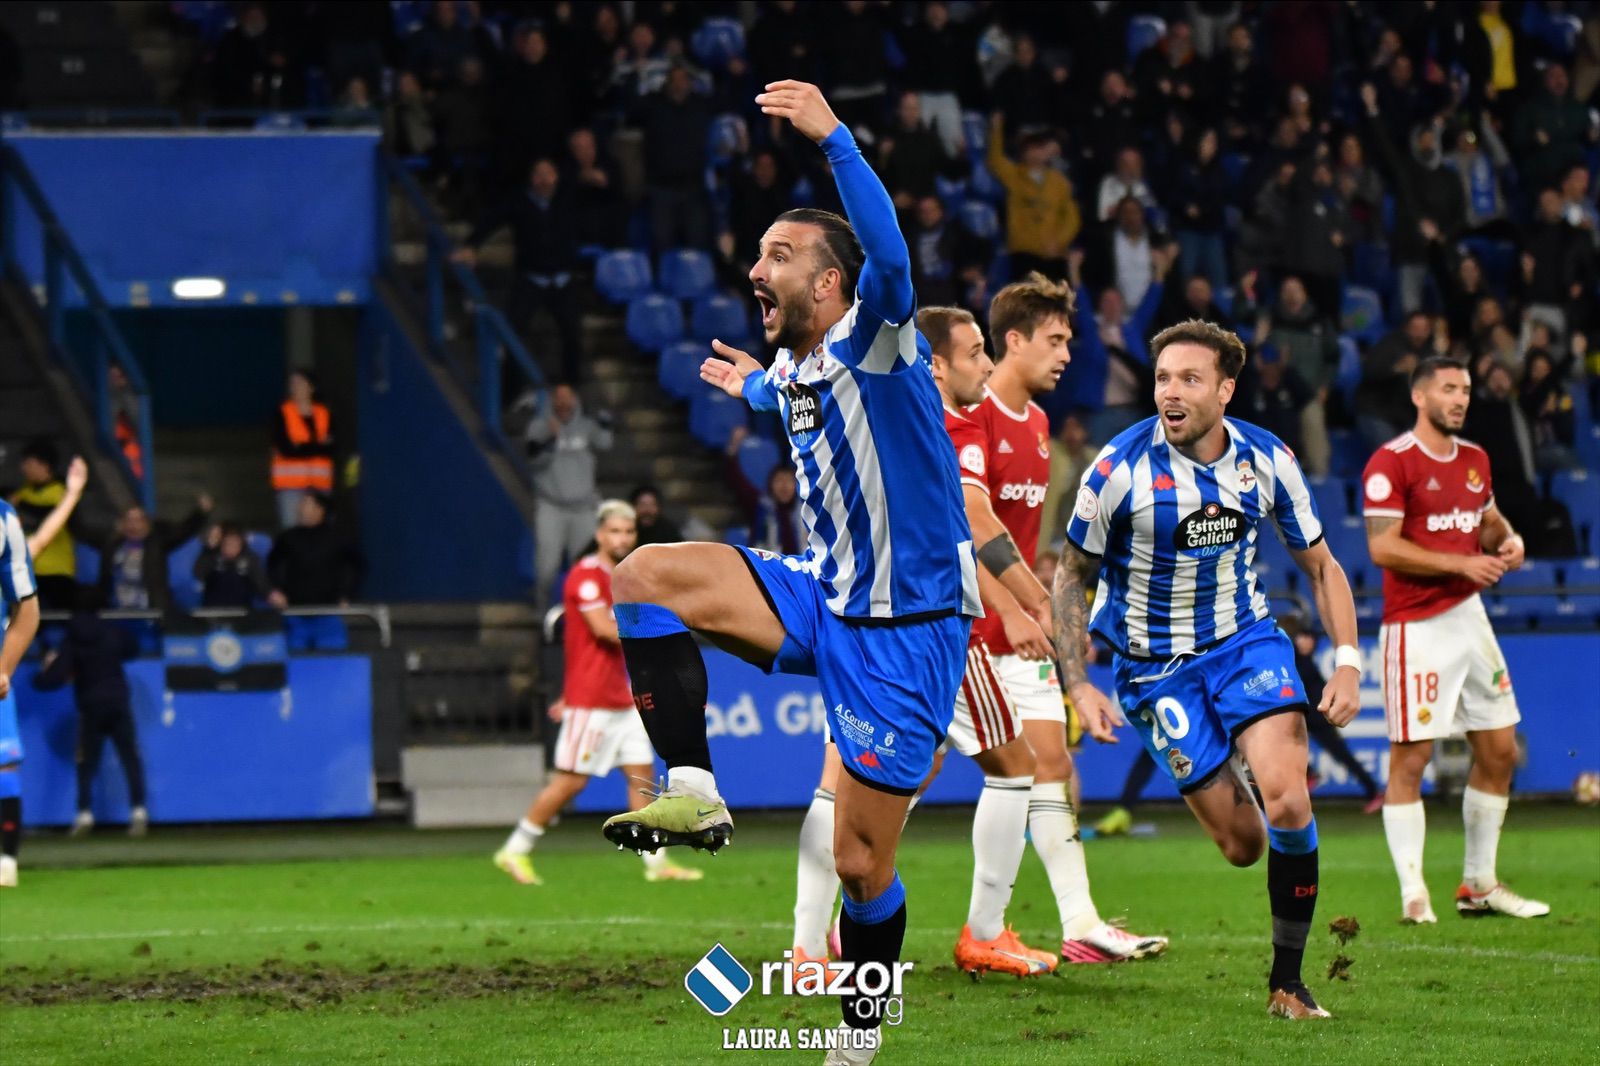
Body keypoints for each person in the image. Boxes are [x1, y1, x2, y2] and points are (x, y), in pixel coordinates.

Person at [600, 81, 981, 1060]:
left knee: (859, 864)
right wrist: (751, 386)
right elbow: (792, 390)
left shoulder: (881, 337)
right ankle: (692, 782)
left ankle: (859, 1040)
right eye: (758, 252)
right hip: (823, 596)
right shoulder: (801, 369)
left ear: (828, 284)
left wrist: (835, 139)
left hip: (909, 637)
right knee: (642, 575)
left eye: (780, 255)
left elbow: (891, 261)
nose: (756, 267)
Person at [1053, 318, 1363, 1020]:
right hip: (1154, 671)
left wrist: (1345, 662)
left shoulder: (1268, 458)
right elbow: (1070, 577)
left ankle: (1288, 982)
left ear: (1225, 389)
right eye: (1163, 378)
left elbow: (1322, 564)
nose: (1171, 391)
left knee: (1287, 798)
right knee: (1244, 845)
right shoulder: (1118, 470)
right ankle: (1238, 773)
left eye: (1189, 378)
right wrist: (1077, 681)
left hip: (1243, 643)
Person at [966, 279, 1168, 964]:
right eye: (1055, 340)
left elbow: (1022, 538)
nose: (1066, 355)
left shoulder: (1039, 425)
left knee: (1050, 764)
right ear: (1013, 341)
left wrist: (1048, 610)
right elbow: (963, 534)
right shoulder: (969, 414)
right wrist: (1027, 606)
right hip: (963, 630)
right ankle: (845, 915)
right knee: (902, 778)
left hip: (1020, 633)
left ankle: (1079, 921)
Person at [1361, 356, 1549, 924]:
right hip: (1415, 626)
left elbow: (1486, 521)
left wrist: (1508, 540)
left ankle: (1479, 884)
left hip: (1469, 620)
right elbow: (1382, 547)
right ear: (1420, 396)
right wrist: (1460, 566)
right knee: (1412, 757)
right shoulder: (1391, 462)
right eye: (1449, 389)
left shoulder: (1474, 460)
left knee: (1498, 748)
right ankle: (1413, 892)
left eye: (1465, 390)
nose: (1460, 399)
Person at [494, 501, 700, 886]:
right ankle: (515, 849)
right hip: (591, 701)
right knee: (570, 781)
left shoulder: (627, 577)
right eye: (615, 531)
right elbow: (604, 630)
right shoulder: (586, 576)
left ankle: (656, 864)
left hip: (622, 698)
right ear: (600, 534)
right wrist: (658, 621)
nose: (623, 538)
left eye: (629, 531)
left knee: (641, 775)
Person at [30, 588, 148, 838]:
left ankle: (84, 814)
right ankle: (138, 812)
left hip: (91, 705)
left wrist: (38, 678)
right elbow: (132, 648)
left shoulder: (72, 640)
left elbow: (54, 677)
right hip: (118, 701)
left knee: (86, 762)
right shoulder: (111, 632)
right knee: (130, 757)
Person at [454, 161, 585, 385]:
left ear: (556, 177)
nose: (543, 180)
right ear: (531, 178)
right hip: (530, 278)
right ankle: (509, 390)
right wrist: (472, 245)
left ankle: (571, 390)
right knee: (512, 333)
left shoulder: (566, 200)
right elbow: (491, 220)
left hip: (562, 280)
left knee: (572, 333)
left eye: (548, 174)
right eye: (538, 174)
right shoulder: (518, 202)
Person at [1278, 614, 1383, 812]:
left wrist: (1310, 640)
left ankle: (1372, 791)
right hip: (1299, 706)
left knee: (1339, 753)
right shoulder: (1284, 651)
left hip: (1316, 708)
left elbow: (1313, 633)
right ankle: (1310, 774)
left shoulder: (1296, 650)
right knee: (1281, 744)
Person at [526, 384, 613, 605]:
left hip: (583, 508)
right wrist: (551, 438)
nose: (563, 403)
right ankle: (543, 617)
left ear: (575, 400)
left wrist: (605, 419)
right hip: (551, 507)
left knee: (583, 569)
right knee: (547, 568)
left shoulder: (586, 426)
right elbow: (534, 460)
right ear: (552, 401)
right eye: (558, 398)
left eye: (568, 398)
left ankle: (581, 622)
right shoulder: (539, 427)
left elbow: (605, 443)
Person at [986, 113, 1081, 282]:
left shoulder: (1058, 182)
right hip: (1024, 252)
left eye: (1040, 146)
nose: (1036, 152)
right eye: (1031, 147)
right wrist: (996, 131)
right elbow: (995, 161)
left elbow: (1072, 217)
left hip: (1053, 254)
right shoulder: (1014, 175)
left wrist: (1060, 241)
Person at [0, 499, 40, 887]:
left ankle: (7, 857)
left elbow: (27, 606)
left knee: (4, 766)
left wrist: (3, 668)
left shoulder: (3, 520)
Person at [98, 496, 213, 613]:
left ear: (146, 522)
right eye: (130, 519)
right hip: (116, 609)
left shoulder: (157, 542)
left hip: (150, 609)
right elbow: (85, 531)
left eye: (138, 519)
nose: (134, 524)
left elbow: (183, 531)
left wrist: (200, 513)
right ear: (123, 522)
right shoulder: (113, 544)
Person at [9, 440, 77, 609]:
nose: (23, 468)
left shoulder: (61, 492)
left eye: (28, 463)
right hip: (28, 569)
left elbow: (46, 516)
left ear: (44, 465)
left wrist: (20, 506)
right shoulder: (24, 491)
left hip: (56, 571)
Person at [271, 370, 336, 531]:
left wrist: (301, 446)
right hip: (291, 486)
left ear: (311, 387)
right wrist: (318, 445)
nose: (295, 387)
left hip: (320, 485)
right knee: (292, 532)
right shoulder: (282, 413)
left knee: (324, 532)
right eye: (292, 383)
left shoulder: (325, 413)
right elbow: (286, 449)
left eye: (299, 382)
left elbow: (332, 448)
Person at [723, 427, 803, 556]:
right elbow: (737, 482)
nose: (784, 486)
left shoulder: (806, 509)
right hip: (766, 570)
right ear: (770, 485)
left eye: (789, 481)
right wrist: (733, 448)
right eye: (779, 481)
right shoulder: (760, 505)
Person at [194, 522, 273, 609]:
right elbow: (199, 573)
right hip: (213, 612)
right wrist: (208, 550)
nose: (231, 547)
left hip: (241, 612)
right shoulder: (211, 557)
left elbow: (260, 581)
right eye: (227, 543)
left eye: (235, 543)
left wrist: (270, 594)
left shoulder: (249, 558)